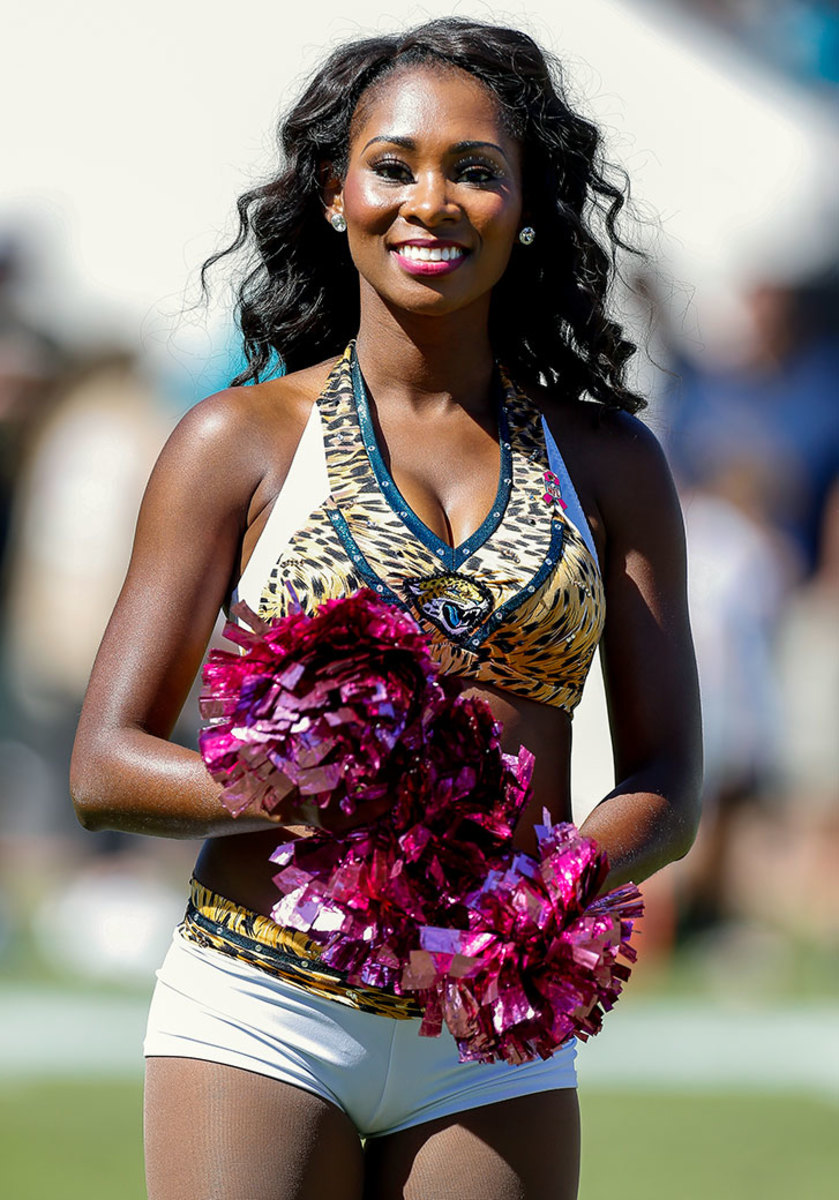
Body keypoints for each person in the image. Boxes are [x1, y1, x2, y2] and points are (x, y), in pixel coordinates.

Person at [70, 18, 702, 1200]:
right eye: (393, 165)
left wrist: (551, 887)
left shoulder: (611, 461)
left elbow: (668, 782)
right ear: (332, 193)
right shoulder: (234, 442)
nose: (431, 200)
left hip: (493, 1031)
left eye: (474, 170)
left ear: (528, 207)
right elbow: (102, 768)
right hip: (259, 1007)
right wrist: (309, 786)